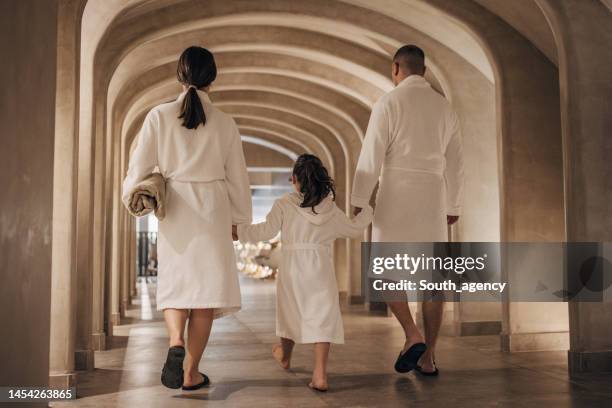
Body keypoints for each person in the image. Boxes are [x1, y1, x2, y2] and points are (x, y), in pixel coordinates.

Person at [122, 46, 252, 390]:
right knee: (205, 296)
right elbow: (238, 176)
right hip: (213, 211)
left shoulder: (158, 116)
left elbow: (138, 169)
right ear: (213, 78)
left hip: (176, 209)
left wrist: (132, 195)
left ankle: (175, 342)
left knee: (177, 286)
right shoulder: (225, 122)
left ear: (180, 76)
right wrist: (237, 218)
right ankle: (192, 373)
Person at [351, 45, 464, 376]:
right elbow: (457, 162)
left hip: (396, 194)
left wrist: (359, 199)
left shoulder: (389, 102)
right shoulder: (445, 108)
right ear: (424, 71)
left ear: (396, 67)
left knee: (387, 271)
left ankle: (411, 334)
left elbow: (371, 155)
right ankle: (428, 357)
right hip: (433, 196)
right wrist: (453, 204)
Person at [233, 154, 373, 391]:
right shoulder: (331, 210)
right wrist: (367, 210)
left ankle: (286, 356)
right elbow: (353, 229)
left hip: (292, 267)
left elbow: (265, 231)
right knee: (323, 315)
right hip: (320, 266)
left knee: (290, 312)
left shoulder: (285, 204)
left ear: (296, 179)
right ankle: (320, 375)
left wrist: (238, 231)